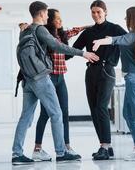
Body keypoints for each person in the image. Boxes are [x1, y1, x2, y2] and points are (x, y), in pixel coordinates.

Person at [12, 1, 99, 165]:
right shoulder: (40, 29)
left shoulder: (25, 31)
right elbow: (57, 46)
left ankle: (17, 154)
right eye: (46, 13)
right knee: (56, 113)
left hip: (27, 79)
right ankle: (61, 152)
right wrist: (83, 53)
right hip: (40, 78)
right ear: (41, 13)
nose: (47, 16)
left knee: (26, 117)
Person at [92, 6, 135, 162]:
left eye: (126, 17)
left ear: (132, 18)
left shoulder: (133, 36)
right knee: (128, 114)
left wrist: (101, 41)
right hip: (133, 77)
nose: (124, 19)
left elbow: (116, 39)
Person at [67, 0, 127, 160]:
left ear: (105, 12)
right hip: (91, 72)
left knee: (101, 107)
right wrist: (61, 38)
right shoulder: (88, 33)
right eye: (93, 12)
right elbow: (70, 52)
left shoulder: (114, 29)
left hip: (107, 71)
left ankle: (104, 146)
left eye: (99, 12)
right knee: (94, 110)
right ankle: (105, 146)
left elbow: (130, 40)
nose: (96, 15)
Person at [30, 9, 91, 161]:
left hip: (61, 78)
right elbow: (31, 31)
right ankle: (37, 148)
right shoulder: (45, 35)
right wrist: (24, 25)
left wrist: (89, 26)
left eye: (60, 18)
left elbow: (73, 31)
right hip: (48, 78)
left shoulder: (62, 35)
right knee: (45, 114)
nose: (60, 21)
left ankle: (66, 146)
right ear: (50, 20)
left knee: (64, 113)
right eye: (57, 19)